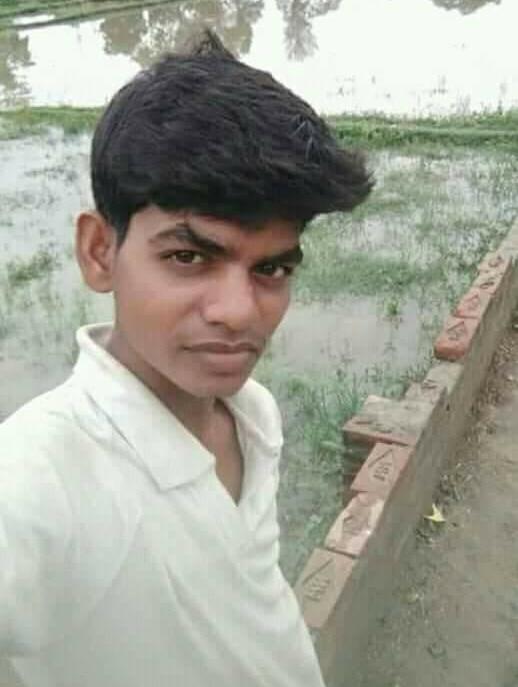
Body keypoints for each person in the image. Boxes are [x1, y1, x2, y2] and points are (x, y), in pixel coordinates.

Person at [0, 30, 372, 687]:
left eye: (272, 268)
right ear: (99, 252)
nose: (239, 311)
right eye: (188, 256)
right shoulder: (40, 477)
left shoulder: (252, 415)